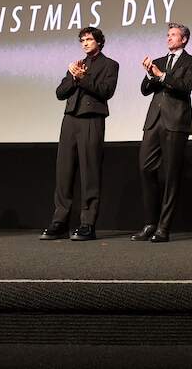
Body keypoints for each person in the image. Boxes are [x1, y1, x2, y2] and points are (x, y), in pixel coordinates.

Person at [41, 26, 119, 242]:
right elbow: (60, 93)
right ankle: (60, 221)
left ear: (99, 42)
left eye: (89, 39)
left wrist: (83, 78)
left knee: (90, 173)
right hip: (70, 121)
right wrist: (74, 78)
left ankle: (87, 223)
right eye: (82, 40)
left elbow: (106, 91)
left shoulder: (110, 65)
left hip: (91, 120)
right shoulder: (76, 65)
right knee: (63, 172)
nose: (85, 43)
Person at [134, 22, 192, 243]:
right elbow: (145, 91)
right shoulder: (159, 61)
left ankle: (163, 228)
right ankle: (149, 223)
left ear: (184, 39)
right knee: (145, 168)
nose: (169, 38)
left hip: (176, 122)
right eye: (168, 35)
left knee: (171, 174)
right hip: (154, 121)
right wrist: (150, 74)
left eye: (173, 35)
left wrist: (162, 76)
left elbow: (186, 86)